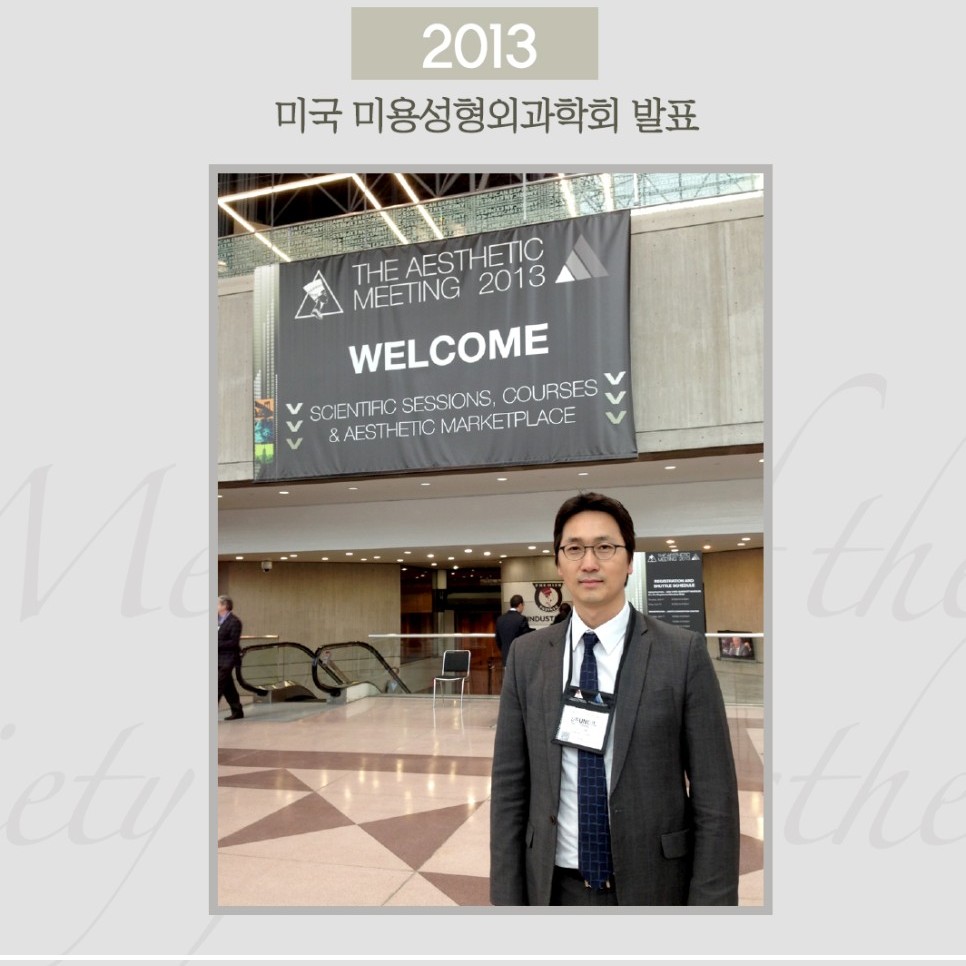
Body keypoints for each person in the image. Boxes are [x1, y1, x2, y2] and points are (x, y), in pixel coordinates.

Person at [490, 492, 739, 906]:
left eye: (604, 547)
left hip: (655, 889)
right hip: (552, 890)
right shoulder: (528, 656)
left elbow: (716, 798)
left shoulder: (681, 653)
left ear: (629, 560)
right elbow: (509, 790)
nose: (589, 563)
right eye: (574, 549)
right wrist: (506, 901)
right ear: (559, 563)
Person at [217, 595, 245, 720]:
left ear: (224, 606)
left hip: (228, 658)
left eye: (217, 604)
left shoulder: (234, 622)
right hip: (217, 658)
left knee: (216, 685)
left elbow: (233, 642)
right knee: (228, 687)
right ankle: (237, 710)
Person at [495, 594, 533, 667]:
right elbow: (526, 639)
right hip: (519, 659)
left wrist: (504, 650)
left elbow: (498, 640)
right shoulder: (521, 619)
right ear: (520, 605)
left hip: (506, 658)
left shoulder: (500, 619)